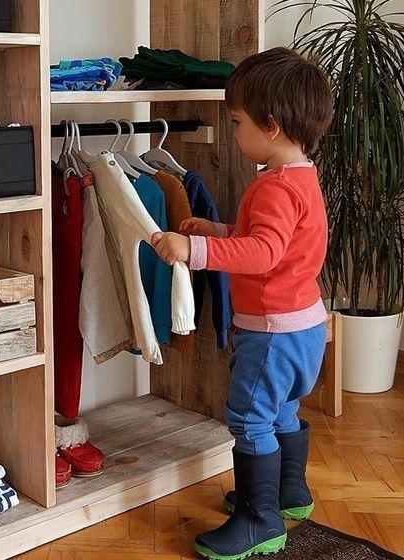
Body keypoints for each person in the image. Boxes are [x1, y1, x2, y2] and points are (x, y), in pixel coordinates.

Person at [151, 47, 333, 560]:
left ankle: (260, 518)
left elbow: (263, 252)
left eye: (236, 122)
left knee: (250, 416)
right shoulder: (303, 178)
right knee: (281, 410)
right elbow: (273, 243)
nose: (233, 133)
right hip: (304, 327)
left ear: (270, 125)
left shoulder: (274, 187)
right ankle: (288, 494)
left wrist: (196, 250)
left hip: (272, 332)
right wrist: (219, 230)